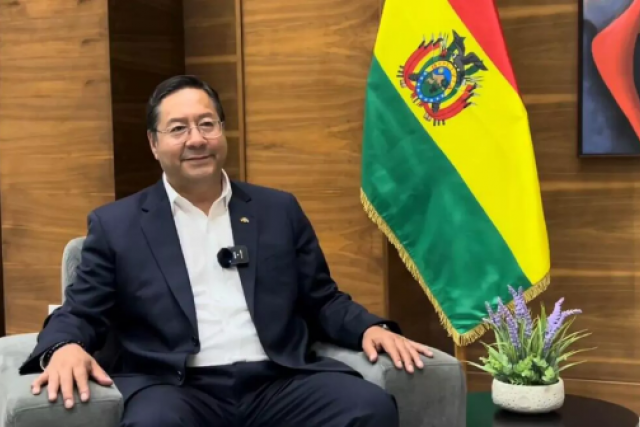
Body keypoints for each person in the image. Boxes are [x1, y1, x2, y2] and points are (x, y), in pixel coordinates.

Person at [19, 75, 433, 427]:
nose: (196, 139)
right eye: (178, 129)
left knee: (368, 407)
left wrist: (369, 329)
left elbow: (321, 298)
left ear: (222, 131)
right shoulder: (117, 225)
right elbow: (81, 311)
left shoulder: (277, 210)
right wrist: (63, 346)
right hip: (177, 387)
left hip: (279, 379)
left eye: (207, 124)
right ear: (153, 143)